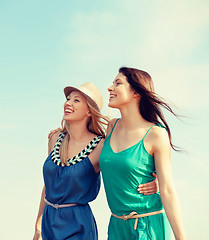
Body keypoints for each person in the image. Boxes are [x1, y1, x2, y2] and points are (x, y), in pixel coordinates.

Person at [33, 82, 158, 240]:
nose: (68, 103)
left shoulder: (100, 146)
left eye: (76, 100)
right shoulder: (55, 138)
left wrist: (157, 181)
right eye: (68, 99)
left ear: (89, 112)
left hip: (77, 225)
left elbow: (125, 167)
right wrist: (38, 224)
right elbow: (49, 185)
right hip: (49, 223)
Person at [99, 67, 186, 239]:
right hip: (117, 225)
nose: (110, 88)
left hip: (147, 225)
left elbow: (167, 189)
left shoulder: (156, 134)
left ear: (136, 93)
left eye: (118, 83)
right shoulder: (111, 127)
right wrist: (62, 132)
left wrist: (181, 237)